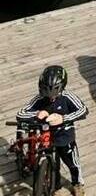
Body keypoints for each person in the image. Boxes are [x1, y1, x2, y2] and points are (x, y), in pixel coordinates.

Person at [17, 66, 88, 196]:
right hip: (46, 137)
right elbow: (21, 113)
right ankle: (55, 186)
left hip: (64, 136)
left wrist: (63, 118)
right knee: (53, 164)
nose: (50, 99)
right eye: (46, 94)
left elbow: (83, 110)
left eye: (54, 96)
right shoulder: (39, 98)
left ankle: (77, 183)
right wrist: (38, 113)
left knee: (73, 163)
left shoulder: (67, 97)